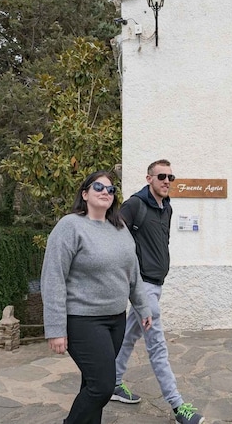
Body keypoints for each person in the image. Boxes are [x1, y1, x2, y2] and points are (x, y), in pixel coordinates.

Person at [41, 171, 153, 424]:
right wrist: (56, 329)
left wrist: (143, 307)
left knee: (91, 381)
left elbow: (132, 271)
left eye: (111, 190)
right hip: (83, 320)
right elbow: (53, 278)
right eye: (99, 187)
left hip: (116, 319)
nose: (105, 192)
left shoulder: (120, 227)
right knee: (102, 387)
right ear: (85, 194)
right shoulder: (70, 226)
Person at [111, 159, 205, 424]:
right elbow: (115, 238)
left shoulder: (167, 207)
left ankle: (113, 383)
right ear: (148, 178)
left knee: (129, 337)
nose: (166, 181)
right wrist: (131, 278)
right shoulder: (135, 205)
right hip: (143, 288)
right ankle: (178, 407)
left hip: (156, 283)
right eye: (161, 176)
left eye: (170, 177)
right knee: (157, 346)